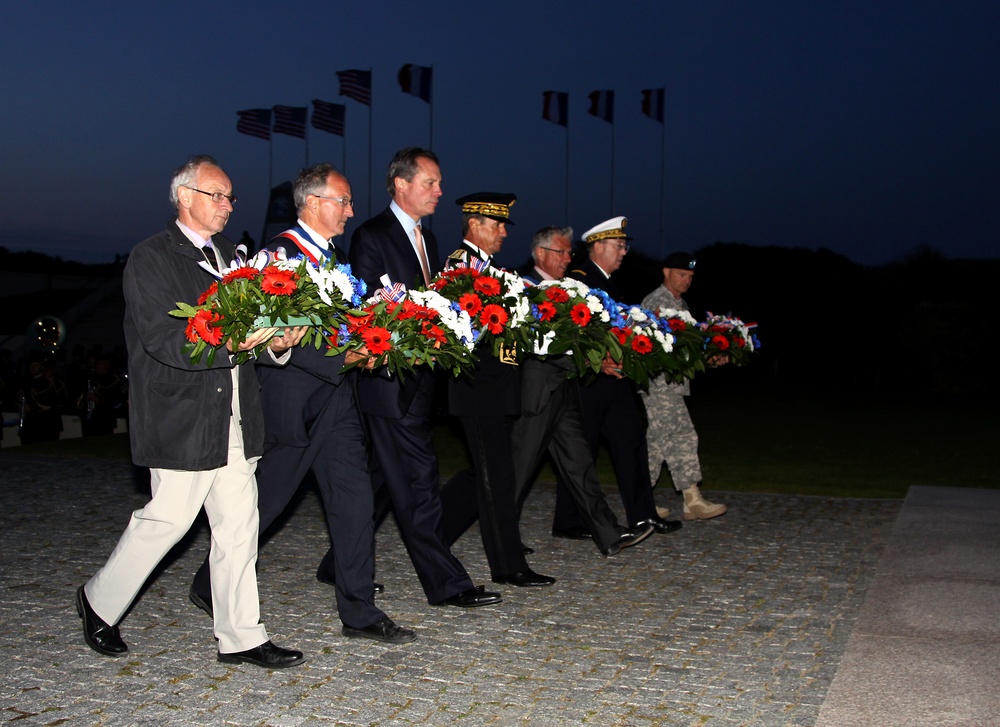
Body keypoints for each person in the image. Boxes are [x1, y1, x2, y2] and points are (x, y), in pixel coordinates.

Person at [75, 155, 305, 668]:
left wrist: (278, 342)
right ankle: (98, 600)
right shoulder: (151, 257)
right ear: (185, 196)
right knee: (168, 520)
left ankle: (242, 635)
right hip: (184, 415)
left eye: (230, 197)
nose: (227, 205)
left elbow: (255, 334)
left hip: (238, 415)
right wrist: (235, 340)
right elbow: (163, 341)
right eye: (216, 195)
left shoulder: (234, 256)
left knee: (239, 528)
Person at [188, 163, 416, 644]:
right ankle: (210, 582)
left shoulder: (336, 259)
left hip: (338, 404)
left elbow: (338, 325)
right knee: (265, 505)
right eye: (344, 201)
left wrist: (374, 343)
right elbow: (275, 340)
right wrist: (345, 356)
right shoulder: (278, 256)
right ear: (313, 203)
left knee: (354, 503)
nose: (351, 211)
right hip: (291, 406)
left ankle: (361, 612)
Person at [345, 148, 501, 608]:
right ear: (400, 184)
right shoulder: (372, 235)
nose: (439, 191)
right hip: (389, 385)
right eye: (430, 183)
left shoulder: (428, 240)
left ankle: (338, 563)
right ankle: (446, 583)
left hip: (419, 384)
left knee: (381, 480)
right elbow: (371, 312)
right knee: (418, 484)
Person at [512, 226, 655, 556]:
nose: (567, 259)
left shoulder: (570, 289)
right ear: (541, 254)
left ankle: (609, 534)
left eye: (568, 253)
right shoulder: (524, 287)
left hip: (566, 388)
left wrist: (598, 361)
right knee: (520, 468)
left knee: (579, 463)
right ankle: (503, 535)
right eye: (560, 253)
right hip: (537, 391)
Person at [437, 194, 555, 587]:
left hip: (496, 386)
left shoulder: (490, 268)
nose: (504, 232)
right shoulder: (460, 266)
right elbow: (463, 325)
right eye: (497, 224)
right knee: (497, 477)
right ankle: (508, 564)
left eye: (504, 225)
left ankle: (433, 537)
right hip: (478, 387)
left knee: (481, 474)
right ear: (475, 225)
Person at [555, 216, 681, 538]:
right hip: (589, 382)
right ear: (598, 246)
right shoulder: (580, 278)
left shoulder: (607, 281)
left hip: (615, 382)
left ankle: (643, 516)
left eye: (625, 246)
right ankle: (568, 521)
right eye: (618, 245)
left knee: (632, 444)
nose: (623, 251)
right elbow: (574, 328)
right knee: (582, 450)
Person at [641, 252, 728, 520]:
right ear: (666, 272)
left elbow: (685, 348)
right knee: (682, 435)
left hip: (672, 383)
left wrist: (709, 357)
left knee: (655, 445)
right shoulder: (658, 302)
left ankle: (640, 501)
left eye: (691, 277)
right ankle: (692, 501)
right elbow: (657, 348)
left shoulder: (680, 304)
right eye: (682, 274)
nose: (687, 280)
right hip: (660, 383)